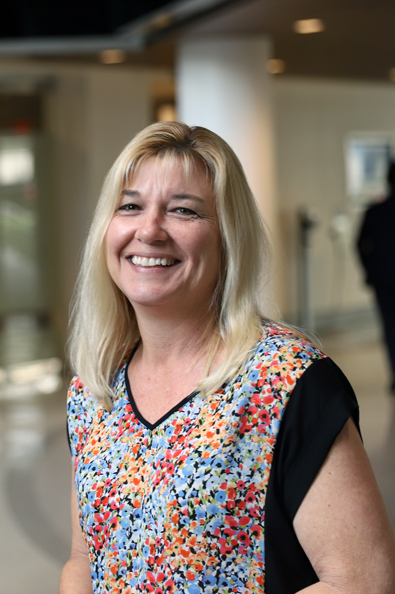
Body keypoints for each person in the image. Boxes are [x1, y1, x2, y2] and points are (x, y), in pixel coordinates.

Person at [59, 121, 395, 593]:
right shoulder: (93, 391)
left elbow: (361, 580)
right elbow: (83, 558)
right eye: (130, 206)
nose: (149, 230)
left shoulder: (287, 381)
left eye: (183, 211)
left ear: (227, 238)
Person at [357, 161, 395, 391]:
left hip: (383, 279)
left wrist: (369, 271)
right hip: (383, 278)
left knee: (389, 326)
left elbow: (361, 245)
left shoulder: (375, 211)